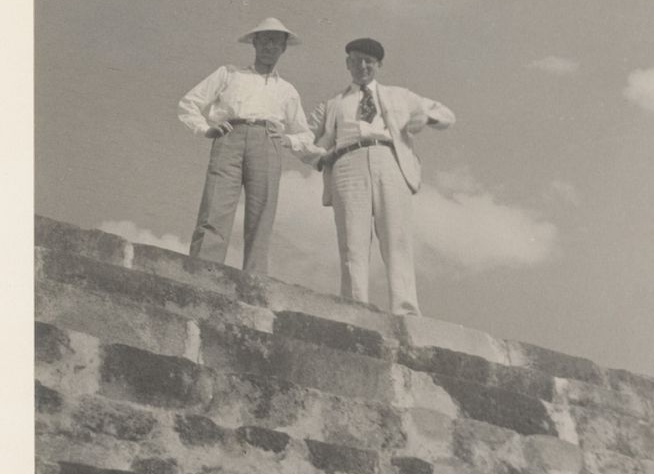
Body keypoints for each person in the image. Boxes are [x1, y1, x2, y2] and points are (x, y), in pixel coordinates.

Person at [309, 37, 455, 316]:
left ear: (378, 65)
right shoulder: (333, 104)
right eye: (356, 60)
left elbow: (446, 114)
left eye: (369, 61)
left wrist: (426, 118)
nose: (362, 66)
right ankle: (355, 308)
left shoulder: (400, 95)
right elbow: (303, 134)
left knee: (396, 238)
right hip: (347, 162)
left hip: (389, 159)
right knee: (352, 241)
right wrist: (316, 155)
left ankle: (406, 311)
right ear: (347, 63)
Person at [177, 17, 317, 275]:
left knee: (261, 214)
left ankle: (254, 282)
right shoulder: (229, 73)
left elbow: (305, 135)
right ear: (254, 42)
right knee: (215, 207)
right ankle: (202, 275)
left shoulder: (287, 90)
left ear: (284, 48)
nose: (270, 47)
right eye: (265, 40)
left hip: (267, 142)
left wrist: (286, 139)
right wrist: (206, 128)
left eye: (276, 42)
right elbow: (189, 103)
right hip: (230, 136)